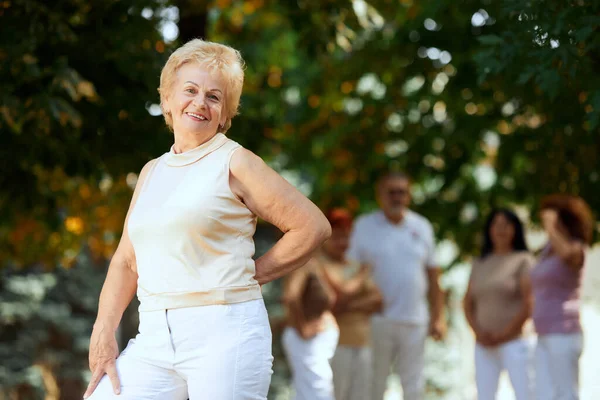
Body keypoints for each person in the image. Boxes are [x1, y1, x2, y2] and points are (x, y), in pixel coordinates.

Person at [84, 39, 331, 400]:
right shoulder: (152, 172)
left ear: (225, 114)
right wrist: (104, 328)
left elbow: (312, 227)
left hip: (225, 332)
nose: (200, 102)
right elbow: (126, 259)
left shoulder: (235, 162)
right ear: (167, 99)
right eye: (190, 90)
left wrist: (253, 273)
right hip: (154, 337)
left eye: (214, 97)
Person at [347, 171, 446, 400]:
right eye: (391, 192)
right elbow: (351, 272)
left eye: (401, 192)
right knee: (373, 385)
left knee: (414, 386)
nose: (396, 197)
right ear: (380, 195)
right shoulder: (364, 226)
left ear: (409, 196)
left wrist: (438, 316)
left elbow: (433, 275)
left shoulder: (422, 226)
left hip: (415, 320)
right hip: (376, 320)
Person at [463, 208, 536, 400]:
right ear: (489, 229)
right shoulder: (480, 263)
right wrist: (478, 332)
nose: (501, 230)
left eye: (506, 225)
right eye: (496, 225)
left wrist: (505, 334)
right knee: (484, 395)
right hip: (484, 343)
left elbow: (529, 302)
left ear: (515, 230)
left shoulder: (523, 260)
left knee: (525, 393)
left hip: (515, 341)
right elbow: (468, 301)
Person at [531, 194, 593, 400]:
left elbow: (567, 256)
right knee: (543, 395)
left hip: (564, 333)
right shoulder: (546, 251)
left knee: (565, 394)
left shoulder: (575, 248)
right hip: (542, 333)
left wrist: (551, 228)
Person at [321, 208, 383, 400]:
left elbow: (378, 301)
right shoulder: (320, 265)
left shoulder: (353, 266)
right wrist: (363, 275)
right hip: (335, 345)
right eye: (337, 237)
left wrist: (349, 305)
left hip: (363, 342)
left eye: (346, 237)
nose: (343, 243)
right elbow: (337, 298)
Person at [281, 225, 339, 400]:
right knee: (316, 391)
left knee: (313, 391)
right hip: (307, 340)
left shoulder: (317, 264)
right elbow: (291, 297)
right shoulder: (305, 264)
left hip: (314, 341)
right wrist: (303, 328)